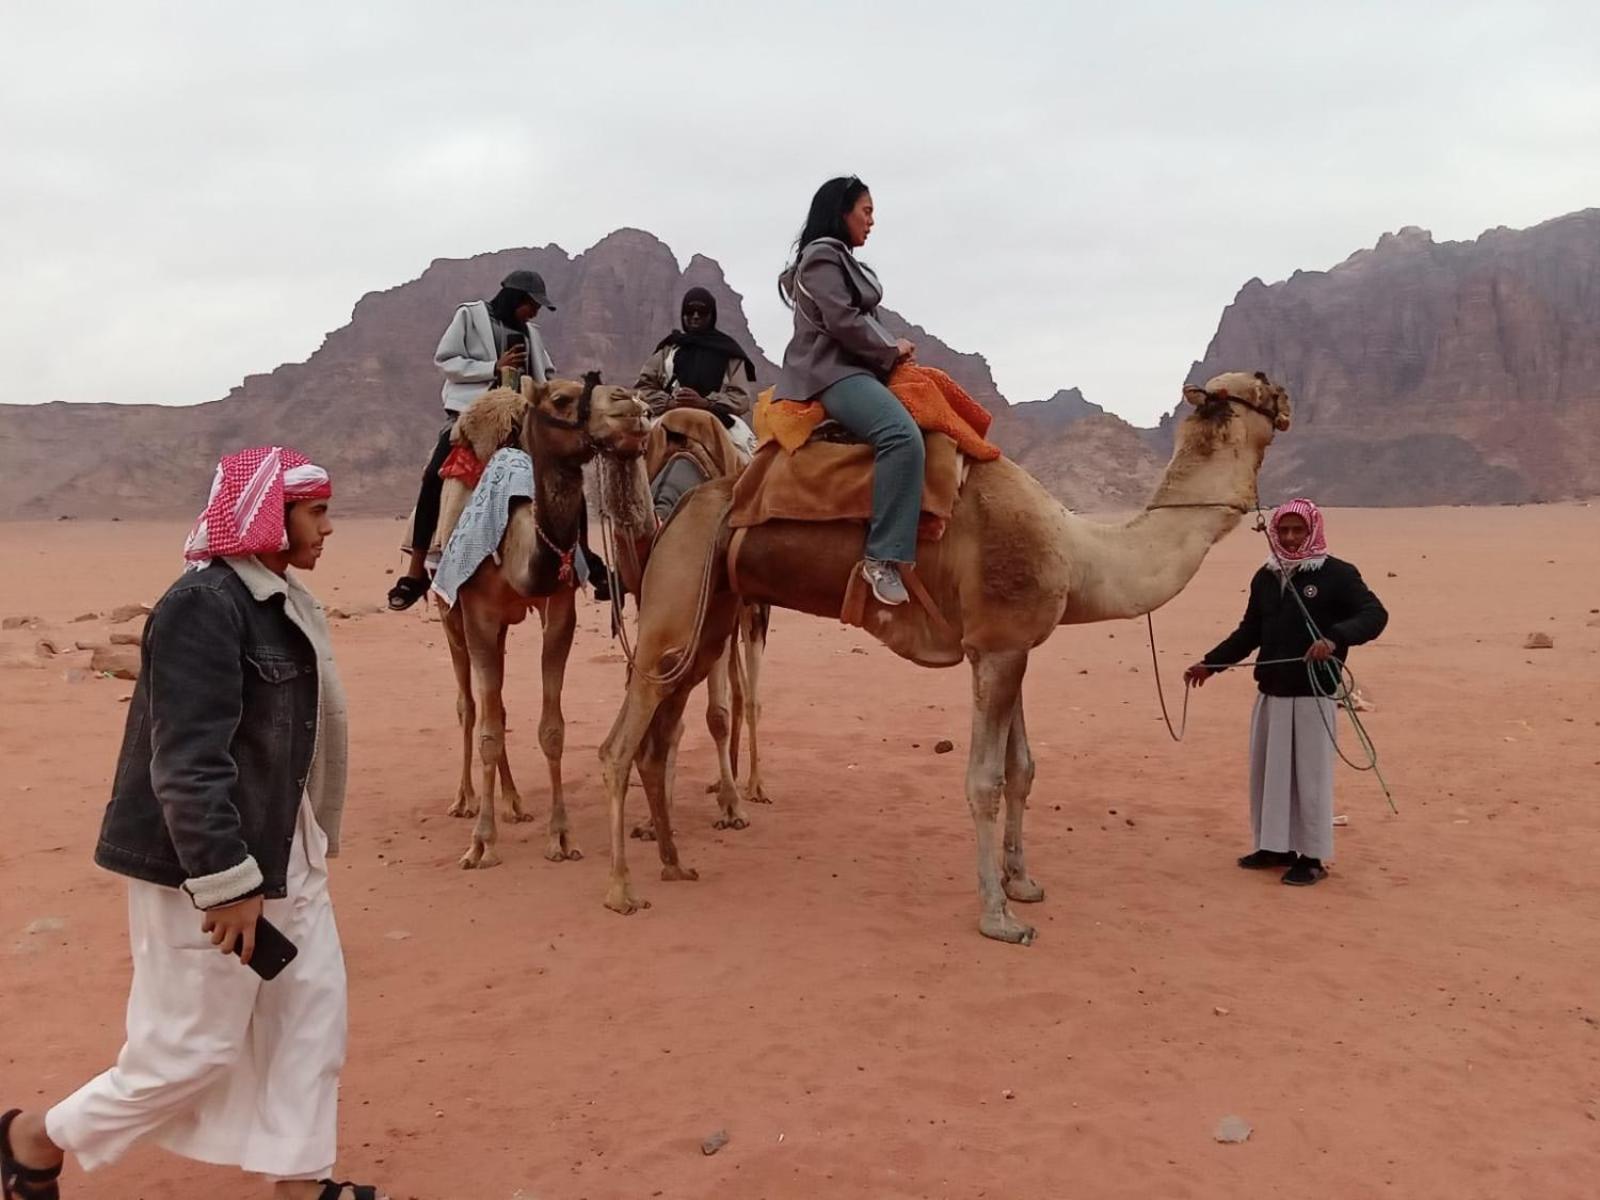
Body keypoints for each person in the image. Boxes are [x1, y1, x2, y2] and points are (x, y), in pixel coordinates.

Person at [0, 448, 387, 1200]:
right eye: (315, 513)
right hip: (207, 866)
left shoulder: (282, 598)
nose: (329, 529)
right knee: (191, 1047)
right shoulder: (204, 606)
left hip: (286, 847)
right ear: (269, 517)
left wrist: (296, 853)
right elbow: (185, 761)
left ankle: (301, 1182)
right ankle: (33, 1139)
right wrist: (225, 884)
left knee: (311, 1018)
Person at [1184, 499, 1389, 886]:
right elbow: (1250, 632)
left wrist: (1335, 638)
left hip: (1313, 695)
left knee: (1309, 779)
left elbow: (1374, 615)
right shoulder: (1266, 577)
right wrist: (1210, 664)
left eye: (1299, 530)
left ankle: (1312, 857)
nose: (1291, 538)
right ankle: (1275, 845)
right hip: (1272, 693)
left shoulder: (1337, 575)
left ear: (1313, 530)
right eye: (1284, 531)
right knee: (1270, 775)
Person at [775, 176, 920, 606]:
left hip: (855, 367)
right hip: (832, 372)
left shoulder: (839, 259)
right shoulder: (821, 258)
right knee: (901, 436)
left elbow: (860, 320)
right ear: (842, 212)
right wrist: (889, 348)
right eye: (866, 211)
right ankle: (882, 558)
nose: (872, 221)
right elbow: (841, 321)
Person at [385, 269, 560, 611]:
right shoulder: (469, 316)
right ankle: (415, 571)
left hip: (521, 419)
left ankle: (578, 562)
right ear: (515, 298)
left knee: (559, 473)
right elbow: (447, 360)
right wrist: (494, 367)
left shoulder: (532, 334)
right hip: (471, 418)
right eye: (531, 305)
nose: (535, 312)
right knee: (434, 478)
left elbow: (546, 375)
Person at [635, 286, 759, 457]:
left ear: (712, 314)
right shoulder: (668, 350)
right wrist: (669, 403)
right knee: (634, 455)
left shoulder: (729, 352)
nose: (695, 316)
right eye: (690, 311)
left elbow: (741, 398)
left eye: (702, 312)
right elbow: (643, 387)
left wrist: (705, 403)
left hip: (717, 418)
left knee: (748, 459)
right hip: (667, 415)